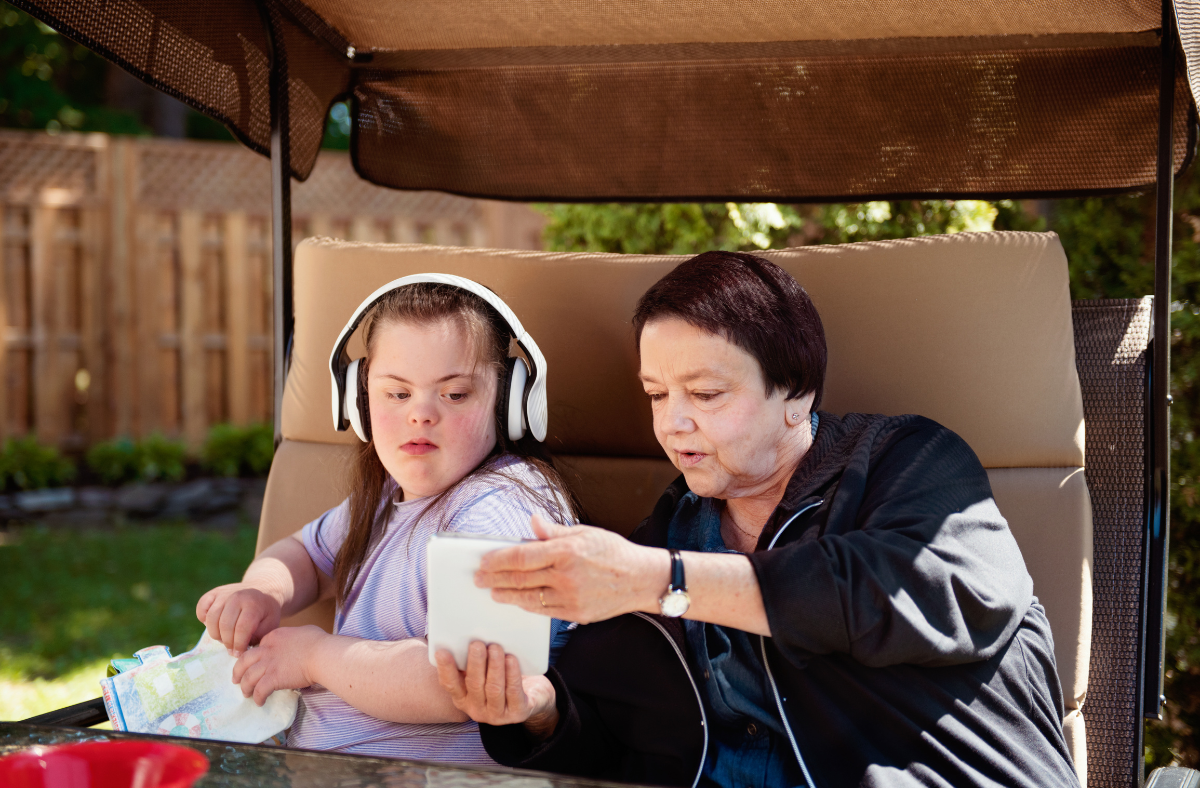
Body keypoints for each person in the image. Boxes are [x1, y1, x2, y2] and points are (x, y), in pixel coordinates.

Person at [435, 251, 1081, 788]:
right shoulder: (670, 534)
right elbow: (612, 739)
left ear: (796, 394)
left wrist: (662, 582)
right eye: (657, 395)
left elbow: (913, 593)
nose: (672, 422)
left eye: (707, 394)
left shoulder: (912, 464)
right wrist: (538, 713)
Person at [195, 281, 576, 763]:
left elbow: (455, 685)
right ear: (358, 402)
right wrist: (264, 592)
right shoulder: (383, 500)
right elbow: (307, 556)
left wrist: (315, 657)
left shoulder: (499, 509)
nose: (421, 414)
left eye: (455, 394)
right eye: (397, 393)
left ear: (510, 403)